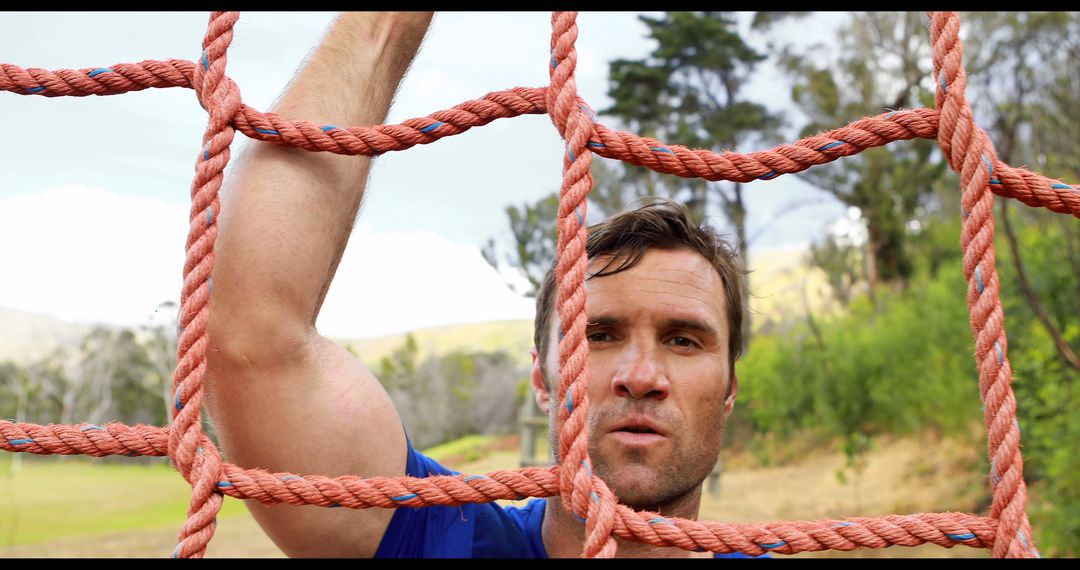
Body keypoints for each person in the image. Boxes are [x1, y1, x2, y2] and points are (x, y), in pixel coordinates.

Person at [204, 12, 750, 558]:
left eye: (683, 340)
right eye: (599, 335)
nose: (641, 377)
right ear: (542, 377)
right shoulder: (445, 539)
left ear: (729, 390)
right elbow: (251, 333)